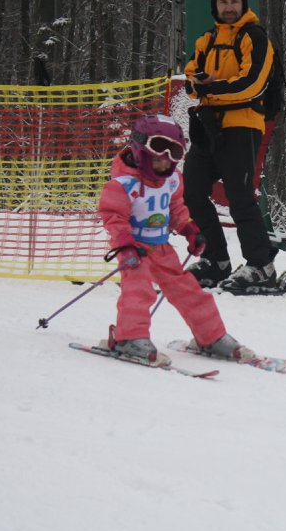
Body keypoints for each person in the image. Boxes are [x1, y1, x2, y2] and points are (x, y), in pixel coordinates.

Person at [98, 114, 249, 364]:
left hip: (162, 249)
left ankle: (211, 336)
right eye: (158, 157)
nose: (163, 165)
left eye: (172, 156)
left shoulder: (171, 181)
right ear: (140, 150)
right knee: (138, 291)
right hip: (134, 249)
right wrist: (125, 246)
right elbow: (114, 217)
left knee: (188, 290)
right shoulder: (122, 185)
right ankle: (129, 338)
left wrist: (189, 230)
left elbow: (176, 210)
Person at [182, 0, 279, 292]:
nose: (229, 8)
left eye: (234, 2)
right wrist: (198, 85)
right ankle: (216, 260)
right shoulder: (205, 40)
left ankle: (261, 266)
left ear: (243, 4)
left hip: (242, 125)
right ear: (215, 5)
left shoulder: (255, 37)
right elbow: (190, 81)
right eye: (223, 2)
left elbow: (252, 85)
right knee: (192, 191)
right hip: (208, 126)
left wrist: (210, 89)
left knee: (239, 197)